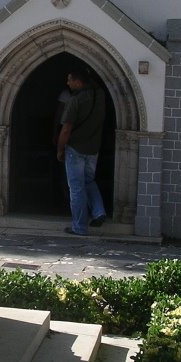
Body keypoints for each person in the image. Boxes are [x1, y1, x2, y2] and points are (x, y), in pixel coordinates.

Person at [56, 66, 107, 236]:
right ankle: (99, 211)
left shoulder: (74, 101)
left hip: (75, 149)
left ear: (78, 82)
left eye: (70, 79)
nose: (68, 82)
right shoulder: (100, 95)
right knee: (88, 181)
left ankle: (79, 226)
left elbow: (66, 129)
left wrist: (60, 149)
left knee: (76, 187)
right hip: (93, 148)